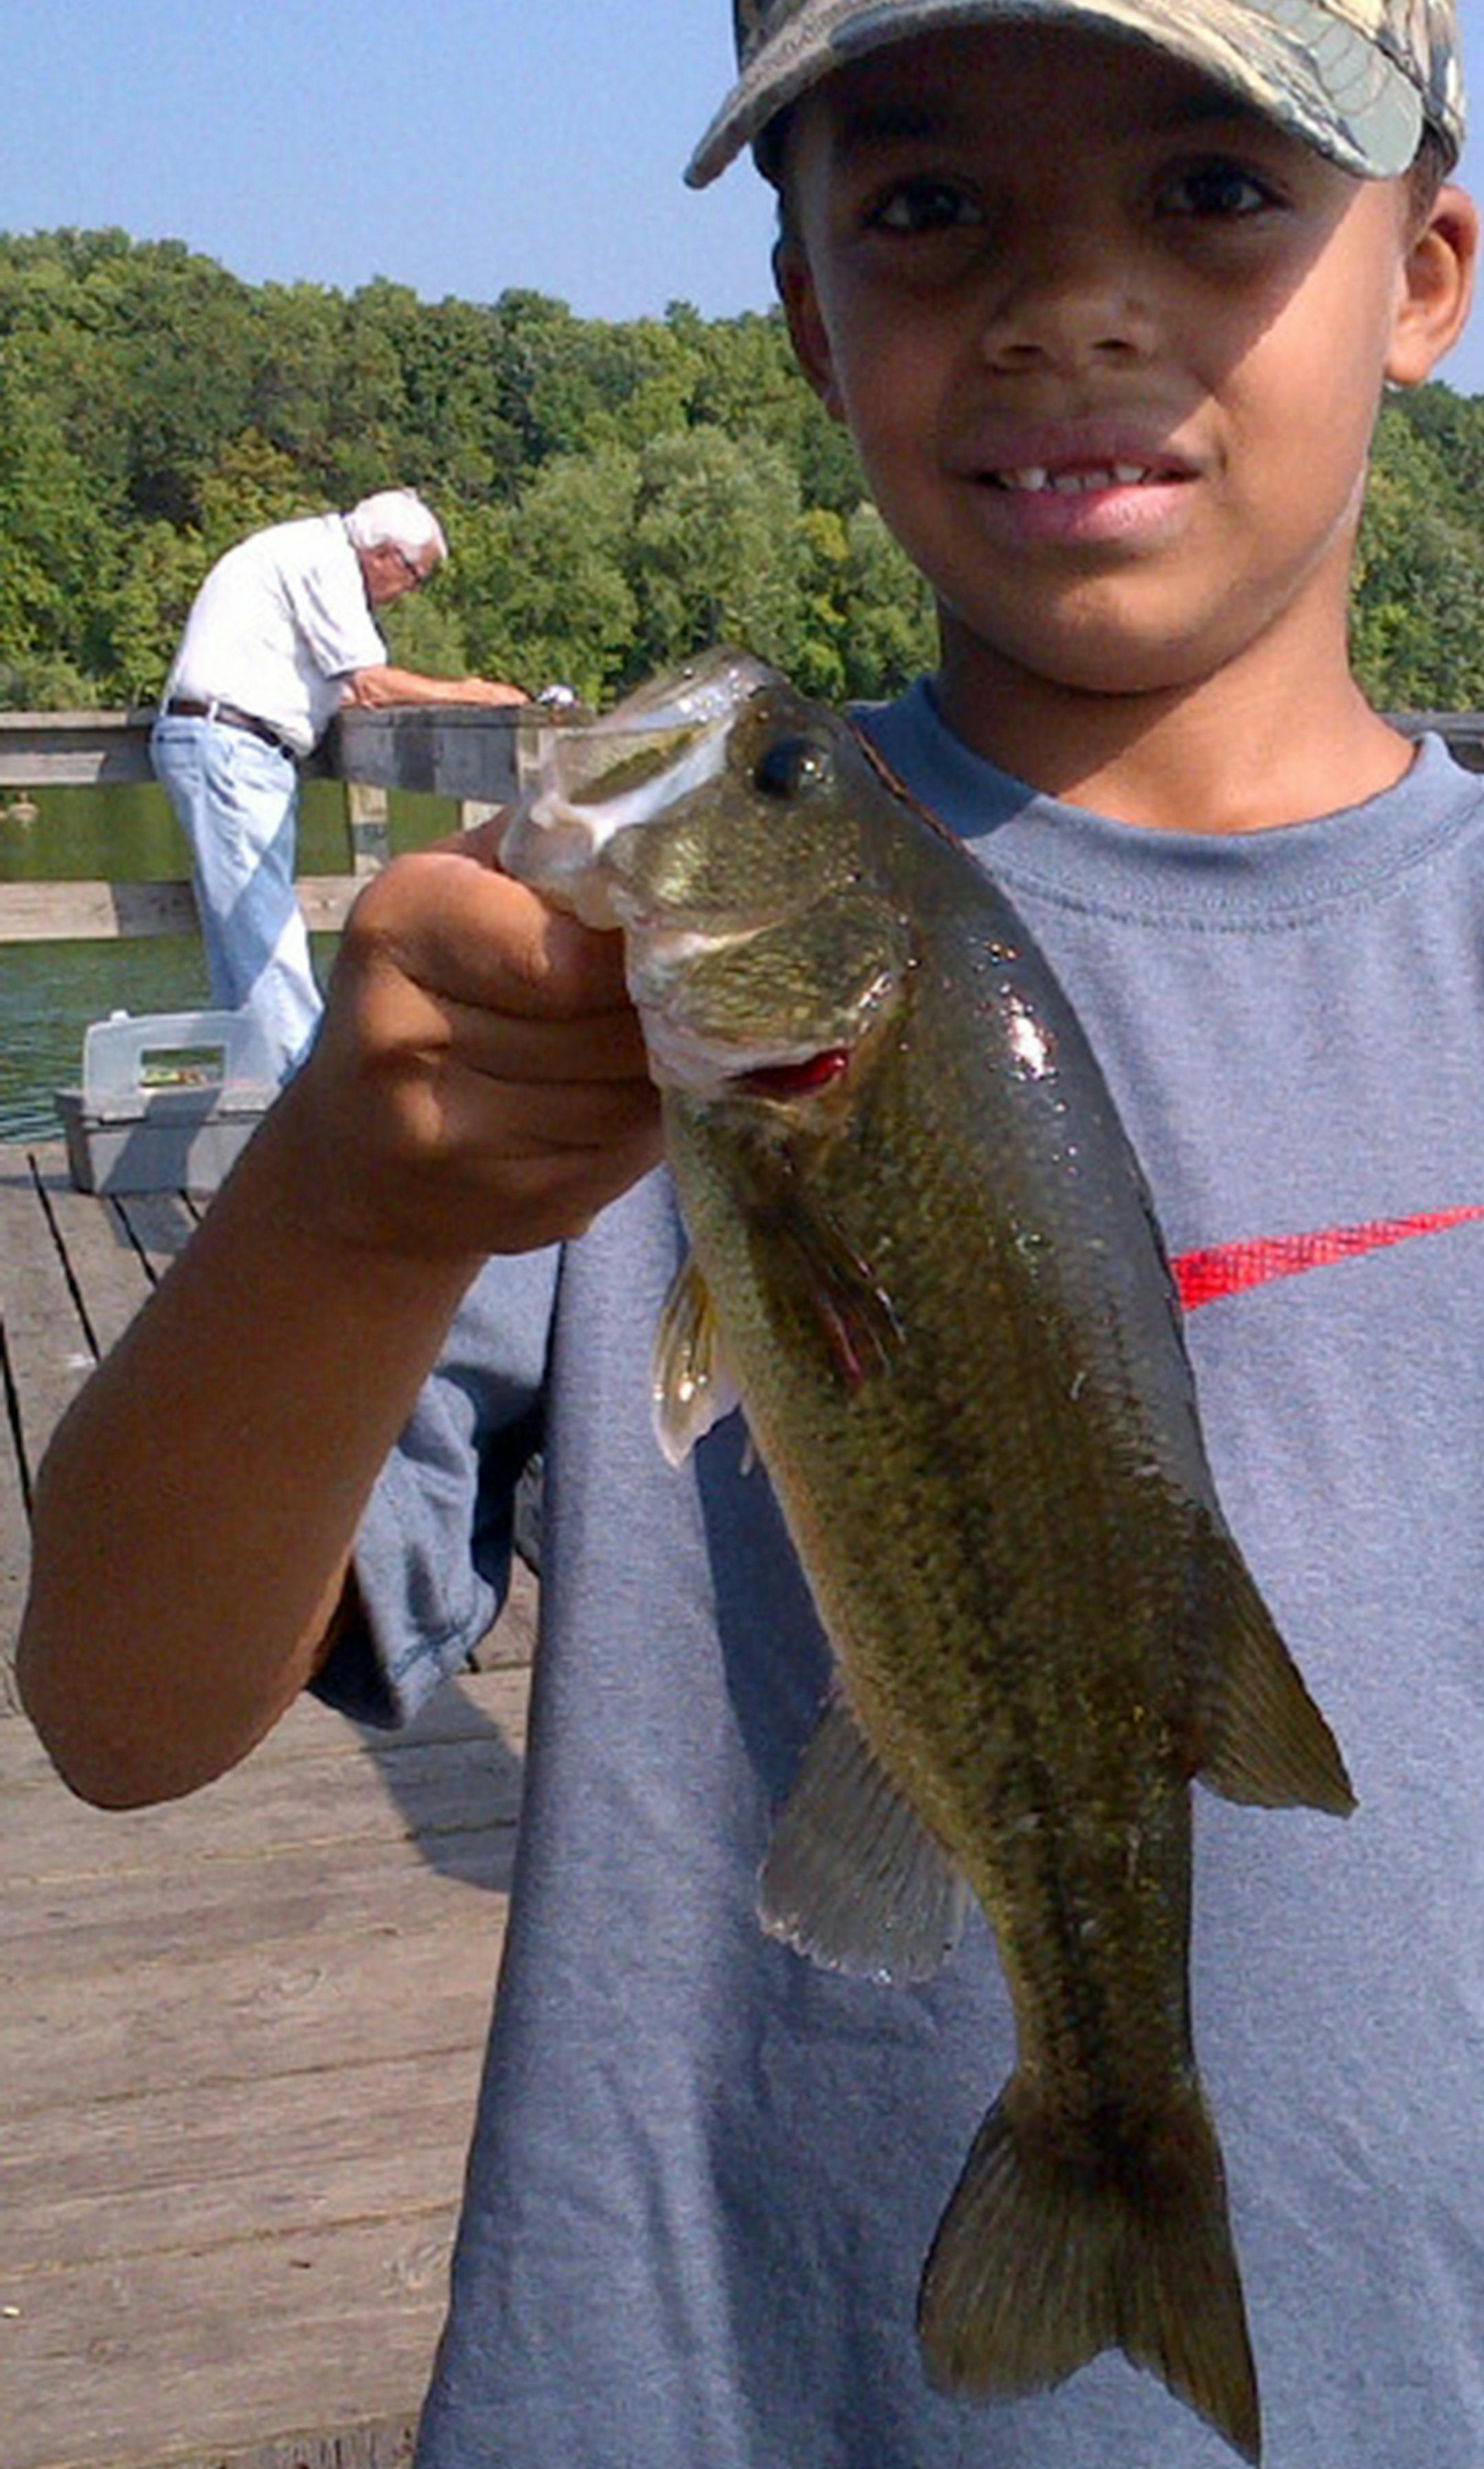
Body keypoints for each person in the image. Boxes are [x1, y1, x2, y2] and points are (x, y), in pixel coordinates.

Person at [16, 3, 1484, 2462]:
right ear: (808, 309)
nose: (1067, 304)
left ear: (1428, 272)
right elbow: (124, 1706)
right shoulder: (580, 1045)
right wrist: (351, 1218)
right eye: (926, 208)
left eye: (1211, 190)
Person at [149, 489, 527, 1080]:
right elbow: (370, 684)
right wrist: (472, 692)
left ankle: (264, 1105)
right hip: (232, 747)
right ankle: (314, 1103)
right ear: (385, 556)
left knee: (244, 947)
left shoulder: (306, 552)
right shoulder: (324, 563)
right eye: (416, 575)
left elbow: (345, 689)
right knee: (267, 943)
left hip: (227, 745)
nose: (410, 592)